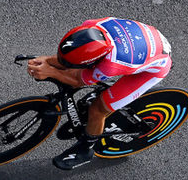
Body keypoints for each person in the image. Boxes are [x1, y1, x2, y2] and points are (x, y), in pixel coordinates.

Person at [26, 18, 172, 170]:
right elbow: (70, 62)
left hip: (153, 68)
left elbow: (77, 80)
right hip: (147, 42)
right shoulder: (90, 25)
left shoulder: (111, 65)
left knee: (97, 109)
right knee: (83, 75)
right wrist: (48, 61)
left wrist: (50, 70)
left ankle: (86, 149)